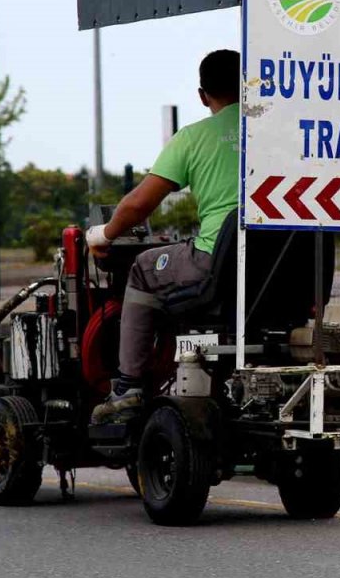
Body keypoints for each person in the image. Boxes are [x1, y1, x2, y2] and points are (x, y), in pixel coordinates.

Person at [86, 49, 240, 423]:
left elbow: (139, 206)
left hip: (217, 261)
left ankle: (129, 387)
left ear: (203, 95)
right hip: (281, 268)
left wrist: (103, 234)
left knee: (143, 267)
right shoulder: (280, 133)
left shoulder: (193, 138)